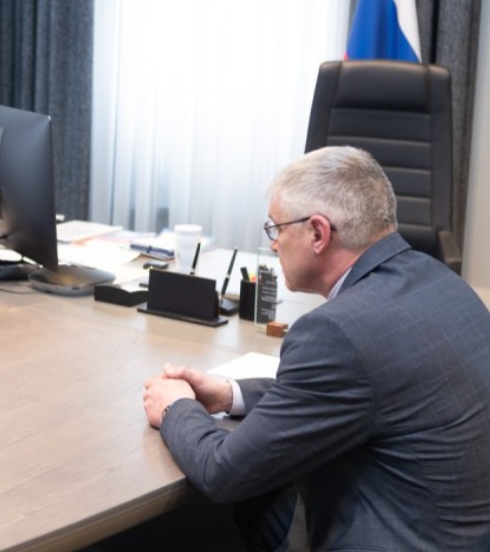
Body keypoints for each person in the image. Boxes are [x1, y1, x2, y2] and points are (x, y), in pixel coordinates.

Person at [142, 146, 490, 551]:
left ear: (319, 233)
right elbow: (359, 388)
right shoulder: (443, 283)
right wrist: (229, 394)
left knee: (245, 498)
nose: (274, 244)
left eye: (276, 229)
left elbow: (223, 473)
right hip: (458, 534)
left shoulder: (335, 331)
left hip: (398, 537)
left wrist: (176, 407)